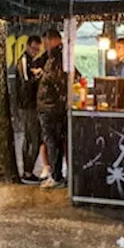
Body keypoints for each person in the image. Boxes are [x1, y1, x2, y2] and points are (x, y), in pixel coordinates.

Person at [36, 30, 68, 188]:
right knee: (53, 141)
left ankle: (56, 176)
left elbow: (57, 78)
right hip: (50, 105)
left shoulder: (58, 58)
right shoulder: (52, 57)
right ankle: (57, 174)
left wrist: (44, 76)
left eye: (46, 41)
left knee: (53, 142)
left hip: (52, 106)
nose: (44, 46)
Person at [14, 35, 44, 182]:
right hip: (28, 105)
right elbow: (26, 83)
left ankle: (27, 171)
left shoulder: (30, 61)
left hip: (29, 105)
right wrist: (38, 76)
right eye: (33, 49)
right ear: (27, 46)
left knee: (30, 138)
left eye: (37, 50)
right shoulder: (24, 61)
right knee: (34, 138)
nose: (35, 52)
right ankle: (27, 171)